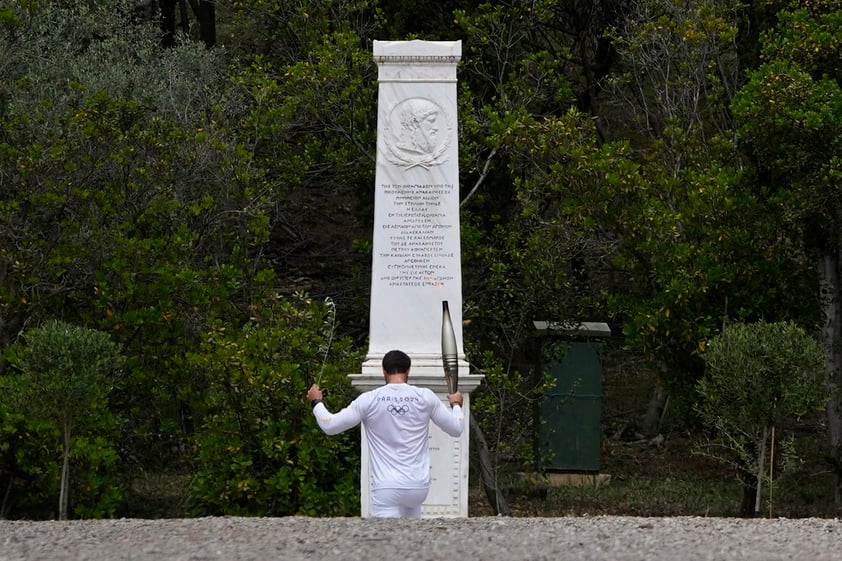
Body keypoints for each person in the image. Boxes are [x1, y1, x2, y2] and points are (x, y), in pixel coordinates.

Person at [307, 349, 464, 519]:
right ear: (408, 370)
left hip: (387, 487)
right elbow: (456, 428)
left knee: (387, 541)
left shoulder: (370, 399)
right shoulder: (425, 397)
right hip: (418, 487)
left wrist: (316, 401)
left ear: (383, 370)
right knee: (415, 539)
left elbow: (330, 426)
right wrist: (456, 405)